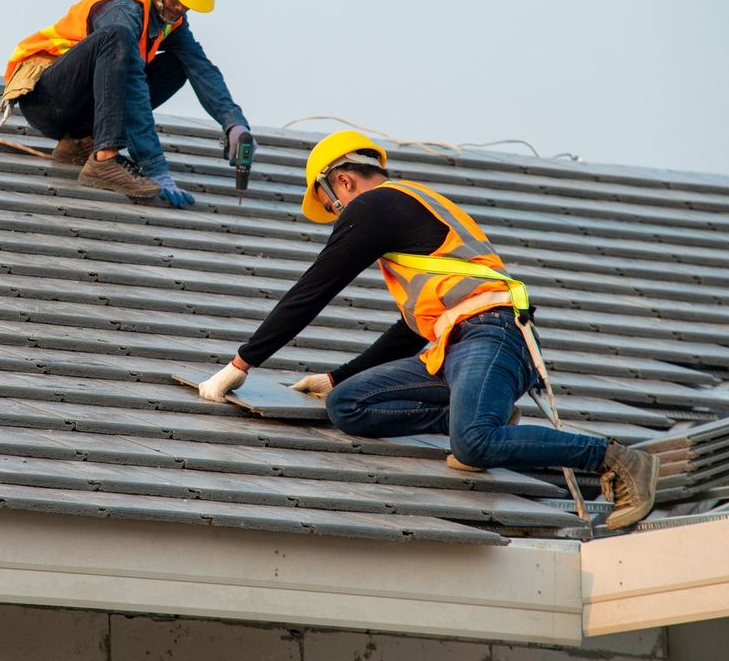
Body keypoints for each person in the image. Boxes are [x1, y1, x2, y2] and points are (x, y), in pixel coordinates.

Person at [196, 130, 659, 531]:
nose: (338, 220)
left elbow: (313, 290)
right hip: (457, 343)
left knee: (473, 444)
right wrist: (337, 378)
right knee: (348, 405)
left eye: (331, 209)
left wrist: (242, 363)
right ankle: (470, 414)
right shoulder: (406, 209)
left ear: (341, 181)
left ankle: (616, 459)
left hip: (493, 334)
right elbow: (410, 330)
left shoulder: (376, 205)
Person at [3, 0, 253, 207]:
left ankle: (81, 143)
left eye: (188, 3)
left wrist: (233, 123)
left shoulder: (169, 16)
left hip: (78, 108)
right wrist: (154, 166)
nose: (181, 8)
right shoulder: (124, 10)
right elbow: (132, 87)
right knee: (116, 39)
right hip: (45, 97)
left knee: (180, 63)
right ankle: (105, 159)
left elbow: (201, 67)